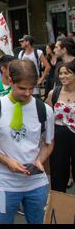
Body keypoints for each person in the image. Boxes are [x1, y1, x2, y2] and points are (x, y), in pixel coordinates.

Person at [0, 60, 55, 224]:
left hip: (36, 183)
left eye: (31, 88)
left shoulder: (45, 110)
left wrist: (39, 161)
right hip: (3, 183)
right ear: (10, 81)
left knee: (37, 221)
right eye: (22, 88)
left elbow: (49, 144)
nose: (28, 93)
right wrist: (7, 161)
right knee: (1, 221)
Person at [46, 60, 75, 192]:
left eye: (67, 73)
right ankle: (58, 206)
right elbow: (46, 115)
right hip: (58, 137)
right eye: (61, 73)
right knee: (58, 172)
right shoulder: (54, 93)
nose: (63, 76)